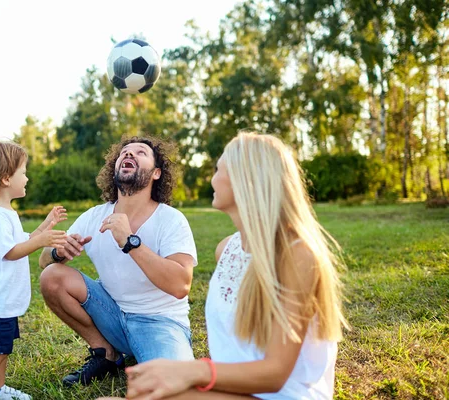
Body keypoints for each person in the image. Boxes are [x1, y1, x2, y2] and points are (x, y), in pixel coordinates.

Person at [99, 131, 348, 400]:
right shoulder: (227, 249)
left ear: (247, 178)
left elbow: (276, 375)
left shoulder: (297, 255)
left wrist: (193, 373)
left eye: (219, 169)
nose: (212, 178)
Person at [38, 135, 198, 387]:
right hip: (111, 315)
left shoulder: (171, 220)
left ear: (156, 173)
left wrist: (130, 242)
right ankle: (106, 354)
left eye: (140, 152)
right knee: (52, 276)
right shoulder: (94, 216)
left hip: (159, 322)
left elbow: (181, 285)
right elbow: (43, 261)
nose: (129, 154)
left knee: (178, 387)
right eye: (125, 152)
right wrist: (58, 252)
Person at [0, 138, 68, 400]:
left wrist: (46, 225)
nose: (27, 178)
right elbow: (11, 253)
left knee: (3, 348)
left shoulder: (6, 212)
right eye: (23, 172)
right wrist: (40, 242)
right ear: (6, 179)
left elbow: (22, 240)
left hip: (4, 298)